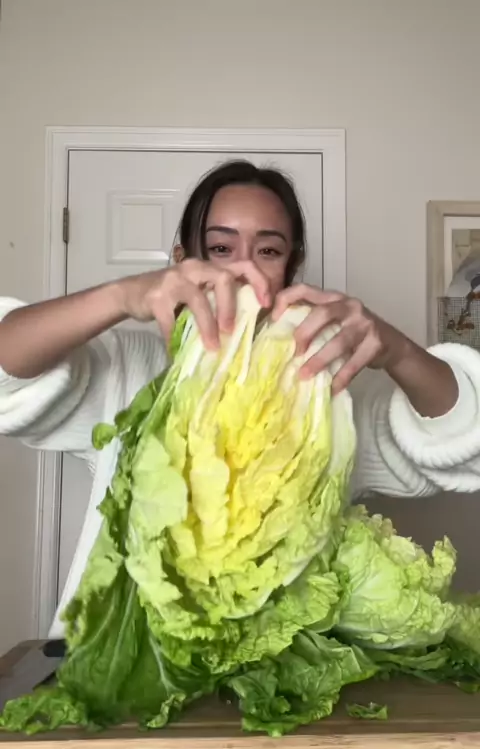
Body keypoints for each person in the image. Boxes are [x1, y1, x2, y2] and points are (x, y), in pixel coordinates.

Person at [1, 159, 480, 638]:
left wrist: (397, 349)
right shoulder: (128, 372)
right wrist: (120, 296)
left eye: (268, 250)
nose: (245, 270)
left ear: (290, 267)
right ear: (182, 260)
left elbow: (461, 441)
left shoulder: (325, 391)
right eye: (220, 248)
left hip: (276, 665)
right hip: (124, 662)